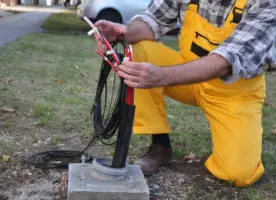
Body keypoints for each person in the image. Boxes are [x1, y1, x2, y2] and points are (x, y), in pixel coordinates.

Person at [93, 0, 276, 187]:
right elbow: (153, 19)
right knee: (139, 51)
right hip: (187, 76)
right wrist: (125, 32)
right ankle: (160, 146)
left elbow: (229, 59)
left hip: (234, 91)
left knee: (238, 174)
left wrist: (161, 76)